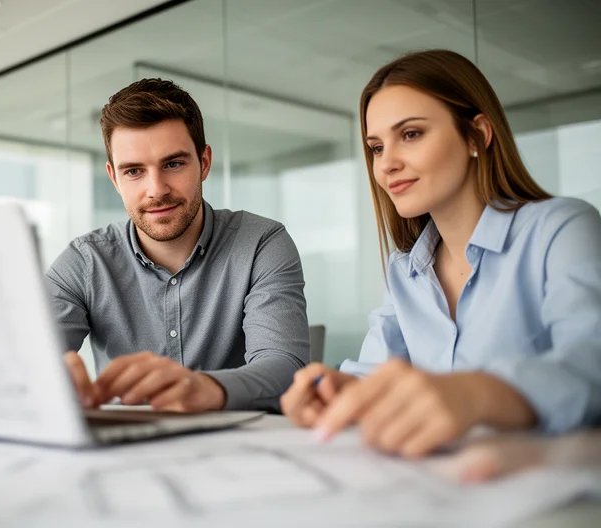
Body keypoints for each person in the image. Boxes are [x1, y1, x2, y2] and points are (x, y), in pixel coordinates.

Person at [280, 49, 601, 457]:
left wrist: (478, 393)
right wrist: (338, 393)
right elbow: (376, 374)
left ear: (477, 135)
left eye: (411, 134)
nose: (387, 164)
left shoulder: (562, 229)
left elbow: (592, 365)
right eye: (377, 147)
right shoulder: (405, 270)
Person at [46, 78, 309, 413]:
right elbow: (25, 368)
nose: (156, 189)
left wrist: (205, 388)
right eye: (134, 171)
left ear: (205, 162)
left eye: (173, 164)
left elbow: (287, 369)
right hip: (125, 452)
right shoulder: (83, 262)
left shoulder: (261, 243)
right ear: (114, 178)